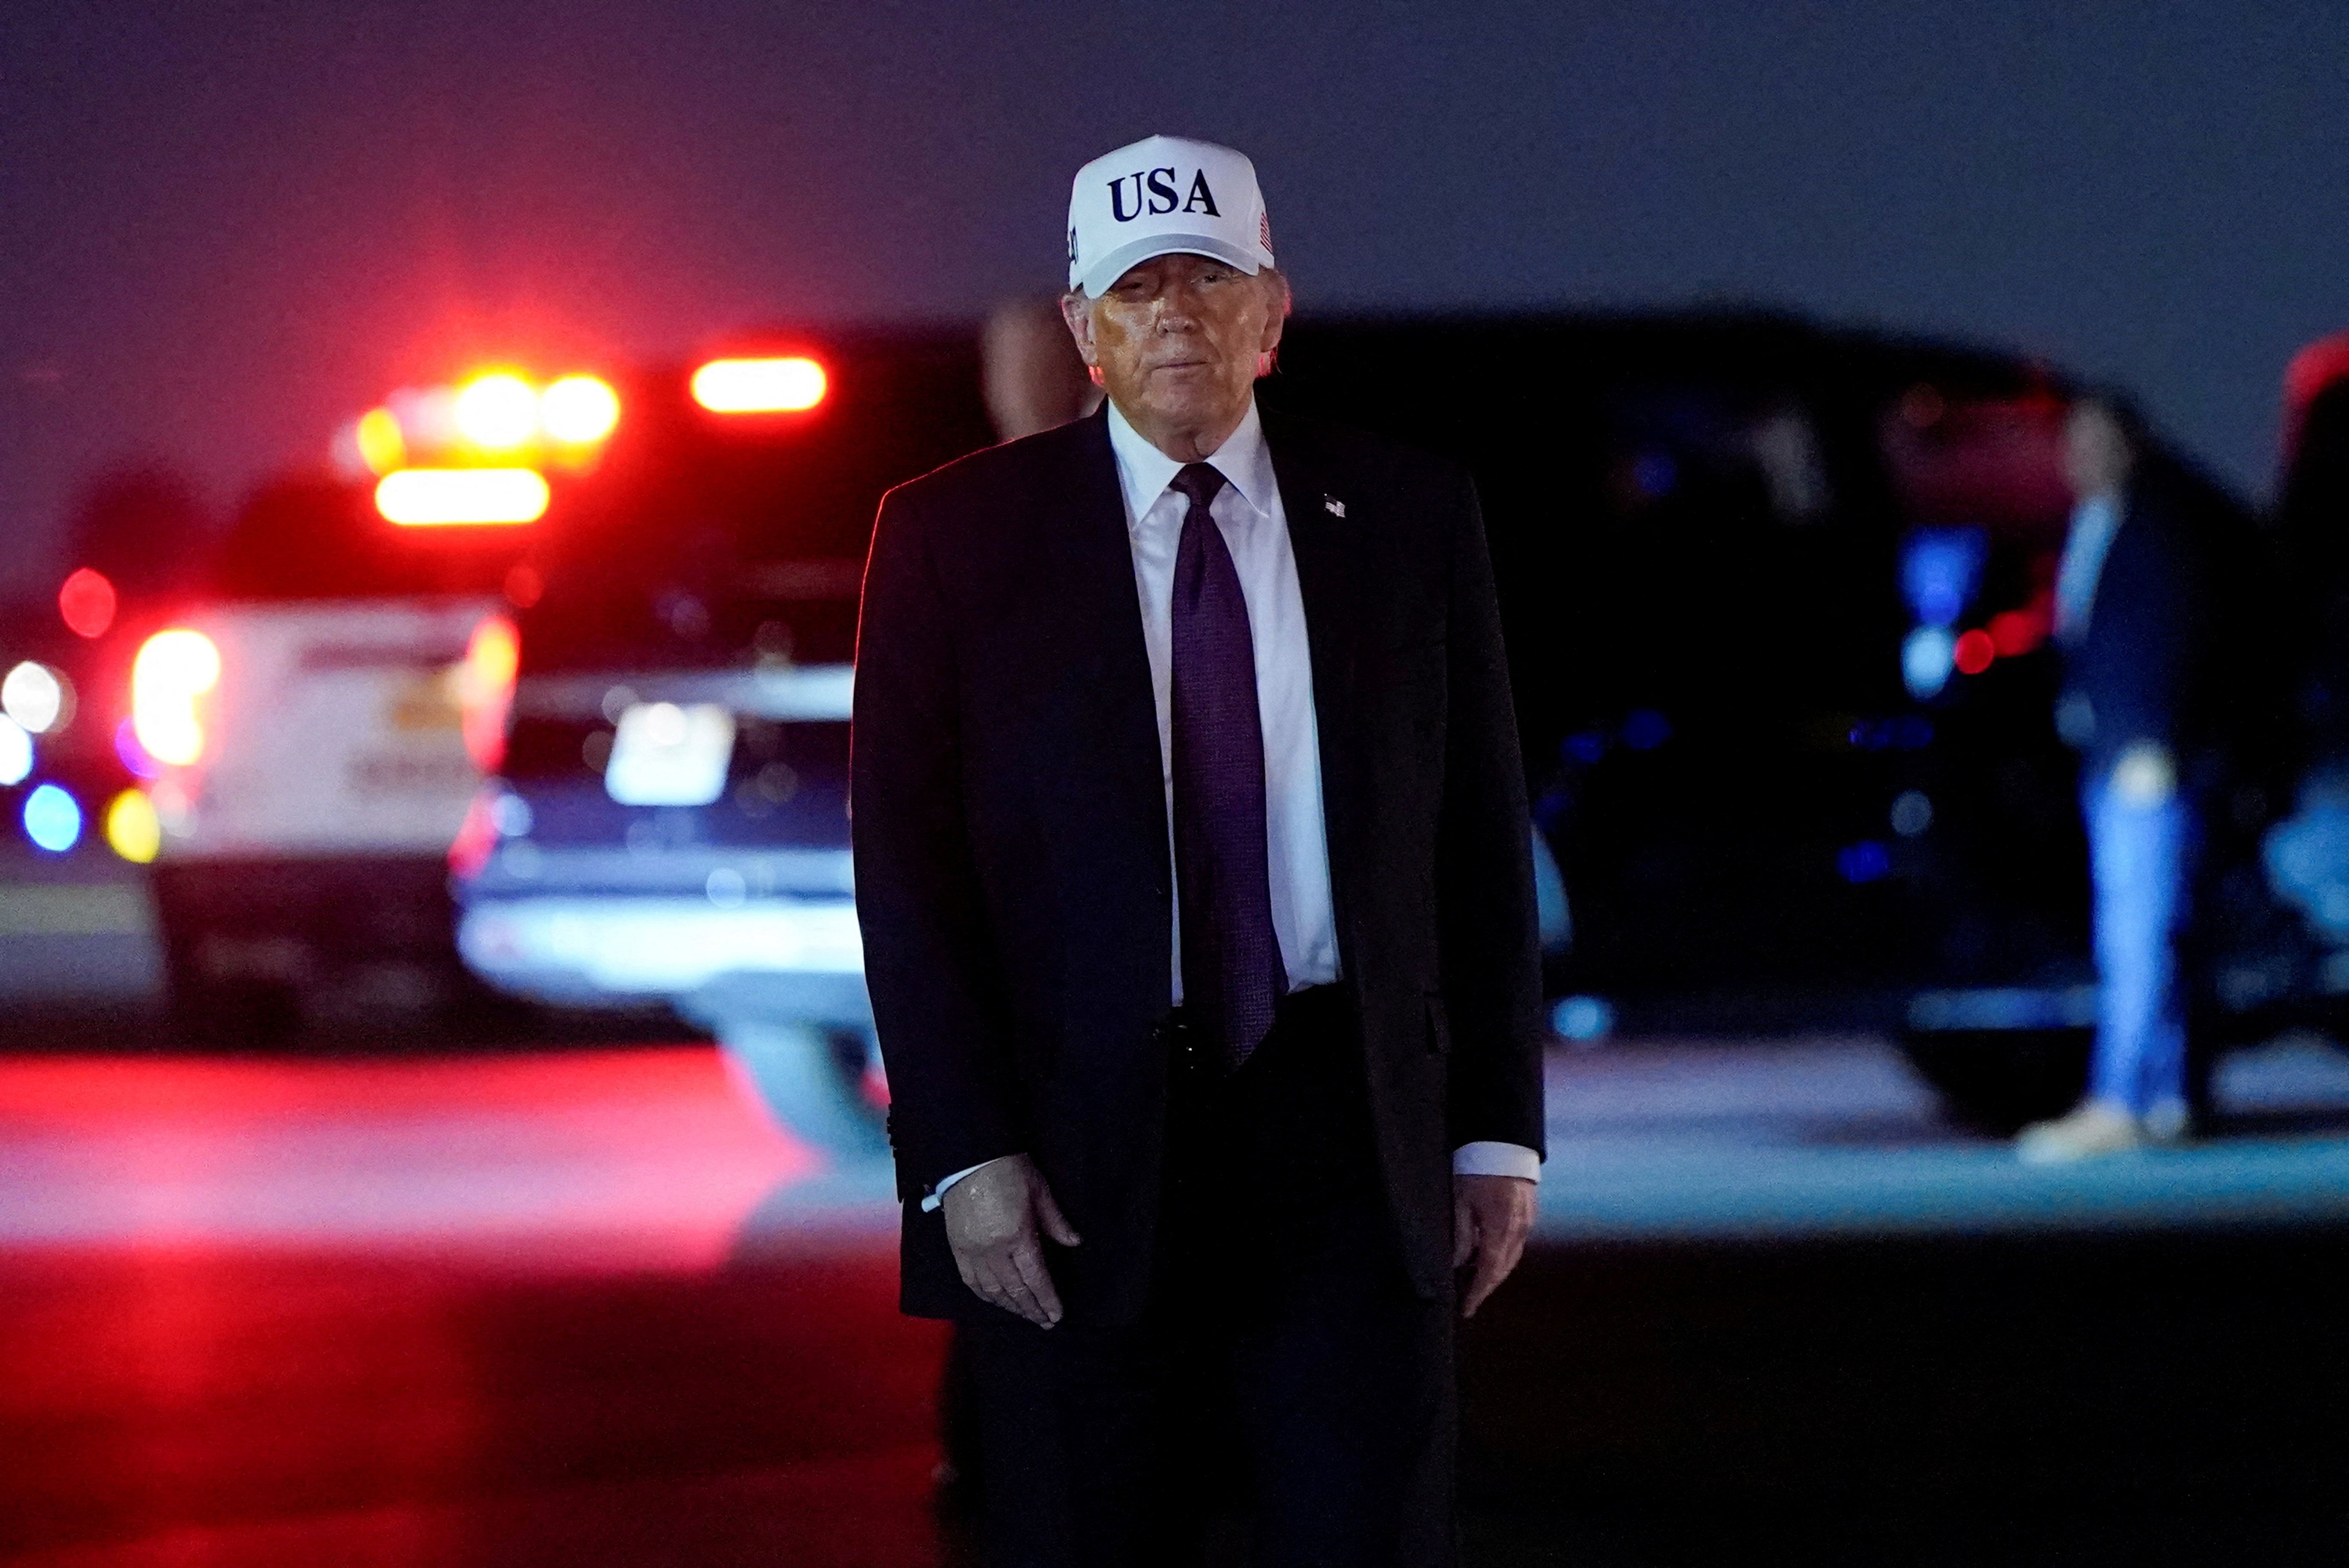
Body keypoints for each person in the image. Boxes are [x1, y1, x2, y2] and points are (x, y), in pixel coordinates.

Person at [852, 134, 1546, 1565]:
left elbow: (1475, 841)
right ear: (1082, 328)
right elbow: (909, 877)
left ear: (1273, 311)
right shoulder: (951, 542)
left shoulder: (1408, 514)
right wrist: (965, 1152)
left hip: (1349, 1130)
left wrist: (1496, 1130)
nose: (1175, 313)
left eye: (1209, 278)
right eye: (1136, 287)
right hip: (1074, 1150)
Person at [2017, 396, 2215, 1161]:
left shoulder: (2156, 524)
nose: (2081, 458)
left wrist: (2149, 743)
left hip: (2138, 757)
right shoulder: (2100, 521)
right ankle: (2165, 1095)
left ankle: (2121, 1098)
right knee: (2148, 930)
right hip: (2110, 752)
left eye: (2097, 441)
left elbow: (2166, 637)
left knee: (2137, 932)